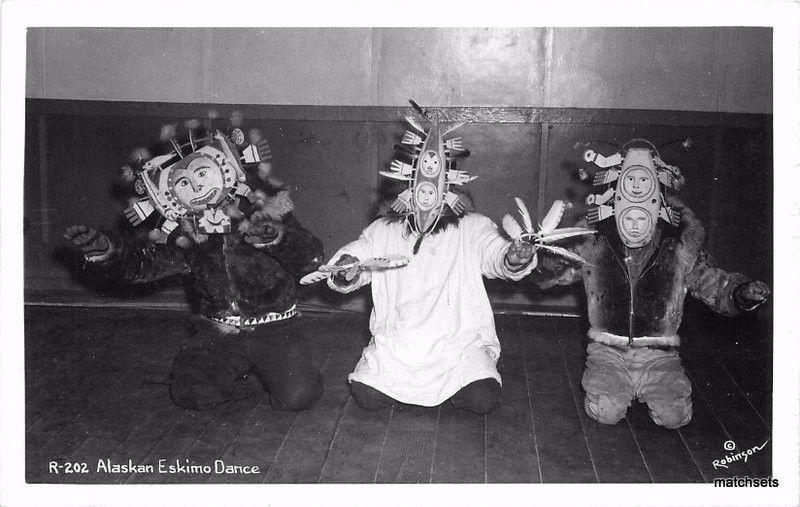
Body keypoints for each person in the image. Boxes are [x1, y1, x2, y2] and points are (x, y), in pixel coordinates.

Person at [65, 120, 325, 412]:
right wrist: (108, 251)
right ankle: (236, 368)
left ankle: (283, 367)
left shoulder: (265, 212)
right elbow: (146, 264)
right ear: (172, 195)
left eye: (202, 173)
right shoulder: (186, 234)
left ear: (224, 171)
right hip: (218, 333)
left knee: (299, 397)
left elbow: (311, 258)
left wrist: (278, 238)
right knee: (192, 394)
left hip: (277, 330)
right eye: (184, 183)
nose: (197, 185)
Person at [533, 141, 770, 429]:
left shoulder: (679, 250)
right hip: (607, 352)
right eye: (627, 212)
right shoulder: (593, 245)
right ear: (615, 202)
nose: (634, 223)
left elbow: (713, 284)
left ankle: (651, 390)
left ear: (658, 204)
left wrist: (741, 292)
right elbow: (553, 273)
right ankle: (616, 390)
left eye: (642, 211)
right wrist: (544, 257)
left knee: (675, 418)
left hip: (659, 356)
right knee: (606, 411)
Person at [323, 111, 537, 415]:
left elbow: (495, 254)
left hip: (457, 344)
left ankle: (455, 386)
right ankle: (410, 385)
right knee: (366, 395)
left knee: (483, 398)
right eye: (420, 188)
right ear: (408, 187)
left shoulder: (472, 227)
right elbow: (359, 253)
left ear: (447, 187)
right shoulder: (384, 230)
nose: (426, 195)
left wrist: (512, 256)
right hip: (400, 344)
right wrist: (347, 265)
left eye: (433, 188)